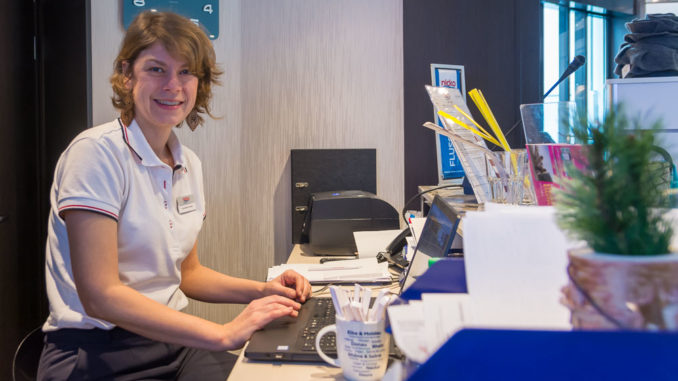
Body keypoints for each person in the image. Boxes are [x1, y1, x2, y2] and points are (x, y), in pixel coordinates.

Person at [37, 11, 311, 380]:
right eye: (155, 69)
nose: (173, 85)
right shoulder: (96, 153)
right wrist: (223, 333)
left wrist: (263, 291)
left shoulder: (188, 164)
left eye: (186, 72)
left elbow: (186, 273)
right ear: (125, 74)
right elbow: (100, 295)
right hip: (95, 354)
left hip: (171, 343)